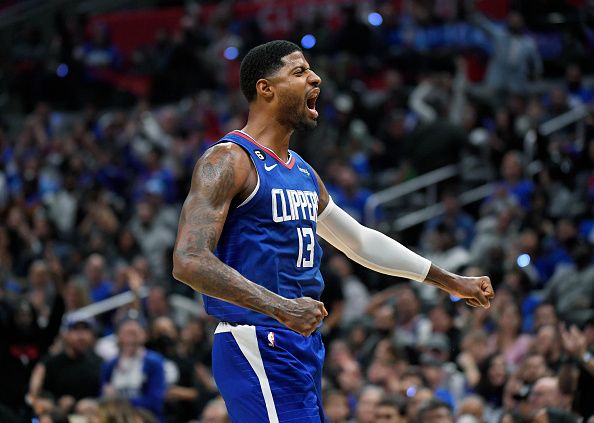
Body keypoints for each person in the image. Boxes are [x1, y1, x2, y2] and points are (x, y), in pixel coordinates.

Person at [172, 40, 495, 423]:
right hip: (257, 337)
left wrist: (450, 281)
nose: (315, 78)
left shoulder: (303, 172)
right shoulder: (228, 159)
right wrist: (280, 306)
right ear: (265, 89)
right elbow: (189, 261)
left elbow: (358, 241)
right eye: (299, 72)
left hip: (301, 341)